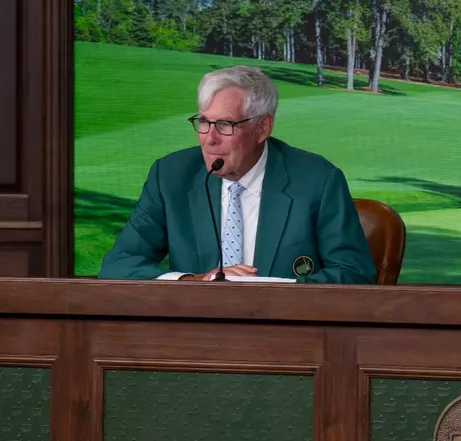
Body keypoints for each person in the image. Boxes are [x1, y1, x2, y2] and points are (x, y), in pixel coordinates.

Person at [99, 65, 377, 284]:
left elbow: (354, 274)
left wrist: (272, 292)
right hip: (195, 339)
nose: (209, 138)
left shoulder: (318, 180)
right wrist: (191, 281)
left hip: (288, 340)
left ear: (262, 128)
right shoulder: (170, 176)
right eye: (204, 122)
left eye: (224, 125)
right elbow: (118, 264)